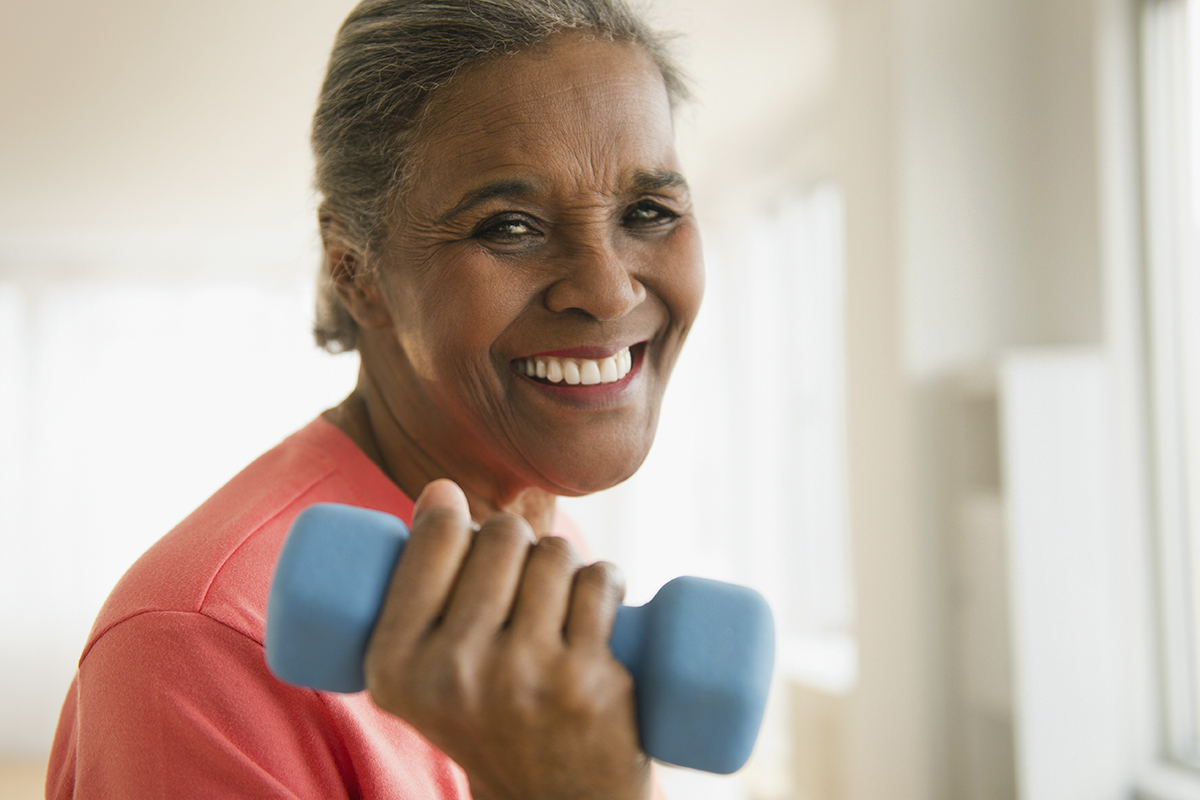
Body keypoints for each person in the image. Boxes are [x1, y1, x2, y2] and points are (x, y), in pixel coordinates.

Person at [45, 0, 703, 797]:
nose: (607, 290)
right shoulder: (199, 643)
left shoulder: (540, 534)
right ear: (356, 269)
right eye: (510, 227)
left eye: (647, 212)